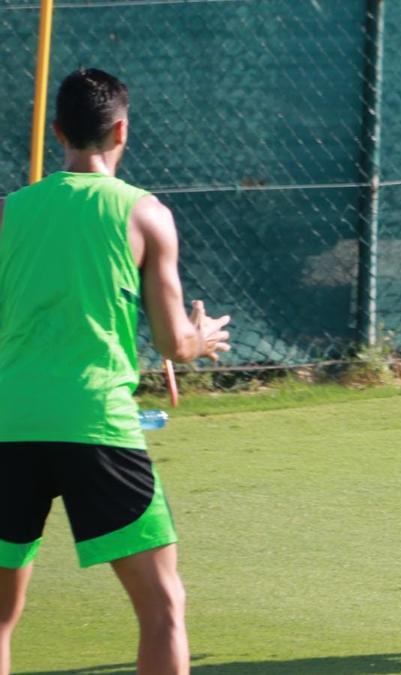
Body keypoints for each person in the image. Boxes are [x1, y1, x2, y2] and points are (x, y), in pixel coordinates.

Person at [0, 68, 231, 675]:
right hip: (97, 426)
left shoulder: (9, 213)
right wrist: (201, 337)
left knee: (0, 616)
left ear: (57, 132)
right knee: (162, 609)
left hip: (10, 427)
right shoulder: (146, 214)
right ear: (122, 129)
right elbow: (173, 342)